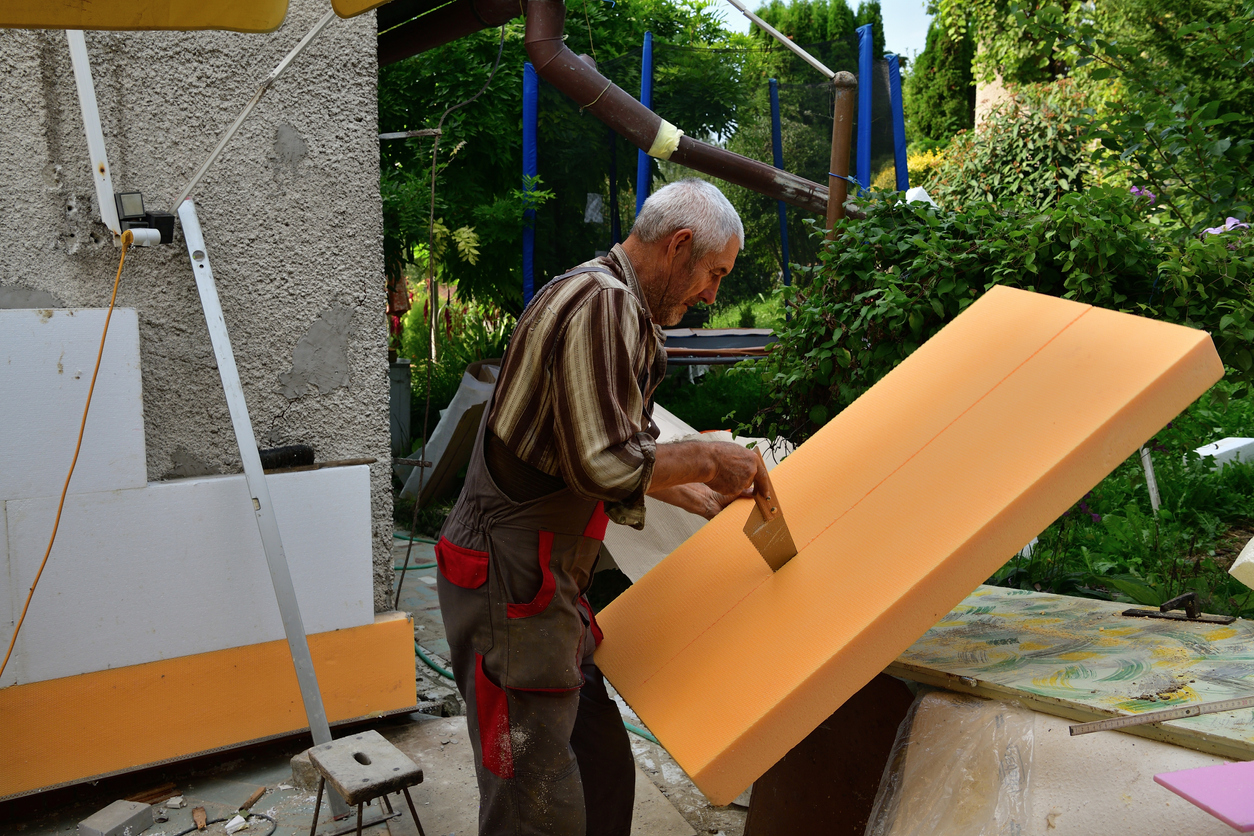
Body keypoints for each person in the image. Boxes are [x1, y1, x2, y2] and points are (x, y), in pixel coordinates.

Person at [434, 179, 769, 835]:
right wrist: (709, 458)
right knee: (540, 794)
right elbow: (603, 463)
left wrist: (696, 496)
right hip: (511, 582)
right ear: (678, 246)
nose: (713, 294)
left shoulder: (618, 310)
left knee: (599, 769)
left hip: (544, 581)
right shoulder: (600, 305)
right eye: (714, 274)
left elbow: (601, 451)